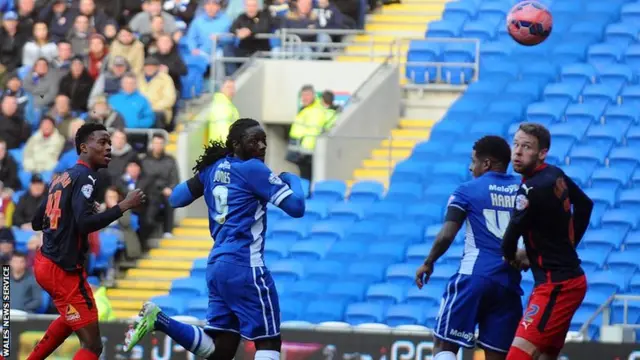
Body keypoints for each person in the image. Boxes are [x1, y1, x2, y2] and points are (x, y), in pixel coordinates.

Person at [124, 118, 306, 360]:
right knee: (269, 341)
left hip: (218, 266)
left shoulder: (214, 168)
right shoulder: (253, 169)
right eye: (254, 141)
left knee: (222, 349)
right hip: (245, 265)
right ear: (236, 145)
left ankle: (160, 319)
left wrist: (203, 178)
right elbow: (297, 207)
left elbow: (176, 199)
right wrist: (294, 180)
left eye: (264, 140)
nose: (262, 146)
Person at [26, 123, 146, 360]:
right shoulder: (87, 177)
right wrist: (124, 205)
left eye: (110, 142)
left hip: (44, 263)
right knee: (92, 345)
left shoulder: (62, 177)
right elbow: (84, 224)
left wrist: (70, 214)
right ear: (83, 147)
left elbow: (36, 222)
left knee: (71, 318)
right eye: (102, 142)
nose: (108, 147)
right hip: (63, 269)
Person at [415, 136, 528, 360]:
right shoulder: (523, 191)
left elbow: (447, 234)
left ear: (486, 164)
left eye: (473, 160)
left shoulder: (467, 190)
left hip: (473, 277)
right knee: (497, 355)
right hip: (508, 285)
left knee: (444, 346)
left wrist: (429, 262)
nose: (470, 166)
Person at [502, 123, 593, 360]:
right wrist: (569, 244)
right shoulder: (554, 174)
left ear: (542, 153)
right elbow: (585, 205)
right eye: (516, 144)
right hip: (564, 281)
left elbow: (509, 238)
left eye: (527, 147)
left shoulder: (531, 189)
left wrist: (512, 257)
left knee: (517, 356)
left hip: (557, 287)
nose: (518, 151)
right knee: (545, 356)